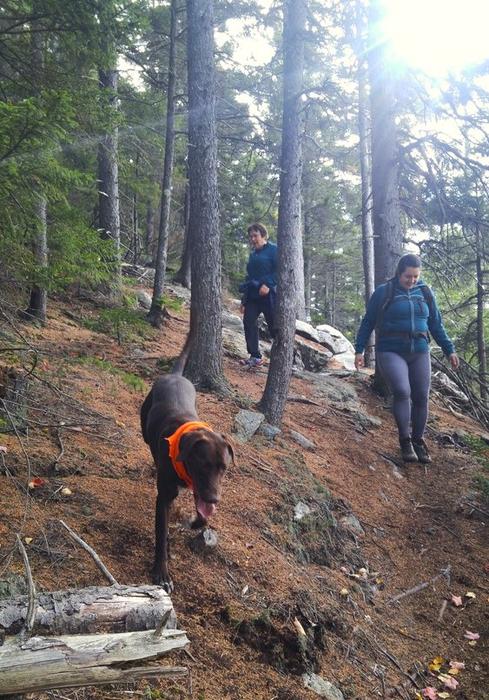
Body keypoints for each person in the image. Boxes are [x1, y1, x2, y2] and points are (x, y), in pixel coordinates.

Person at [354, 253, 459, 463]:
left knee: (421, 395)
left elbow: (436, 325)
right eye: (408, 276)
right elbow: (368, 322)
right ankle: (405, 440)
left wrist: (450, 350)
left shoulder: (425, 293)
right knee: (403, 391)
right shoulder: (385, 292)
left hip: (419, 350)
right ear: (399, 273)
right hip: (391, 350)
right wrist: (359, 349)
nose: (412, 281)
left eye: (415, 277)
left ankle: (419, 440)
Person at [239, 223, 277, 367]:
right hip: (253, 296)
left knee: (275, 327)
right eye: (251, 236)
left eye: (255, 235)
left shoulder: (274, 250)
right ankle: (255, 356)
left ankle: (285, 359)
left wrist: (268, 284)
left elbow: (279, 271)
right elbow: (249, 278)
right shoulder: (253, 255)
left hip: (270, 296)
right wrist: (244, 300)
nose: (253, 239)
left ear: (263, 235)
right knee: (248, 321)